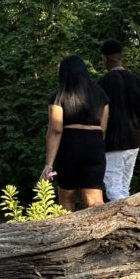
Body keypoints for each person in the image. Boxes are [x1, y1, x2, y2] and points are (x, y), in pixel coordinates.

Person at [41, 55, 110, 211]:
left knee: (67, 198)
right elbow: (103, 128)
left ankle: (66, 234)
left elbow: (56, 130)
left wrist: (49, 164)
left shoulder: (60, 95)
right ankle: (99, 233)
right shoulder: (100, 94)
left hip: (70, 147)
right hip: (95, 145)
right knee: (94, 201)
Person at [98, 38, 140, 201]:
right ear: (120, 56)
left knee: (114, 190)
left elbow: (102, 116)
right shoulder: (136, 80)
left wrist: (98, 142)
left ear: (105, 58)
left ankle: (126, 225)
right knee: (123, 188)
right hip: (133, 142)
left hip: (113, 143)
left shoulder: (103, 82)